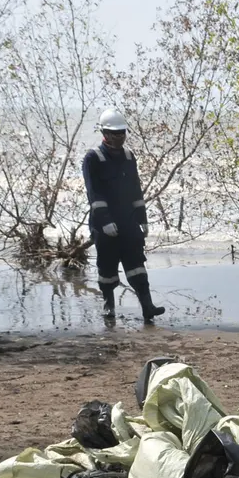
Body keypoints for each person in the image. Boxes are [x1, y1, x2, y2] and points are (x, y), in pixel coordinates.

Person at [82, 107, 165, 323]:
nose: (120, 137)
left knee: (137, 265)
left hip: (128, 221)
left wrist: (142, 219)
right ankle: (109, 305)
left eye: (122, 132)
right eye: (115, 133)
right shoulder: (93, 158)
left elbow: (135, 190)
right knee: (107, 267)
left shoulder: (129, 157)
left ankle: (147, 307)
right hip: (104, 224)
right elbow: (94, 193)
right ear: (105, 133)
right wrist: (105, 221)